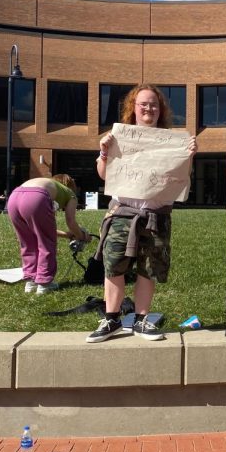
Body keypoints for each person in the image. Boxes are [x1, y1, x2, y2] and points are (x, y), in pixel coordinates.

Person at [87, 84, 197, 343]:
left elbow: (180, 179)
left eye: (154, 104)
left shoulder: (172, 142)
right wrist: (104, 153)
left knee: (148, 269)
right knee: (114, 266)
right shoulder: (117, 138)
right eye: (143, 104)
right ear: (133, 109)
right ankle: (112, 318)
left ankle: (141, 319)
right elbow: (104, 176)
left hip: (155, 215)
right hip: (123, 214)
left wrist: (189, 154)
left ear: (161, 110)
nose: (149, 108)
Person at [6, 174, 90, 295]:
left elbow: (43, 230)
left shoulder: (50, 186)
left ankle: (30, 281)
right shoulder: (70, 194)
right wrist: (82, 236)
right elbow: (70, 221)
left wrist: (68, 235)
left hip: (14, 196)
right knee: (46, 244)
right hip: (36, 197)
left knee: (27, 243)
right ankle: (44, 284)